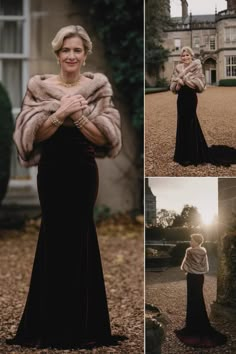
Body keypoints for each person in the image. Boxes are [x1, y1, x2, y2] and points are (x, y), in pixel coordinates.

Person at [6, 25, 122, 349]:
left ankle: (84, 324)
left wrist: (81, 117)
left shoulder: (98, 88)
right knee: (54, 235)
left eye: (77, 50)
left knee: (81, 235)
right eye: (65, 50)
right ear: (57, 54)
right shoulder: (39, 88)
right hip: (52, 171)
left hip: (83, 172)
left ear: (85, 55)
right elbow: (28, 137)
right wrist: (60, 113)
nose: (71, 56)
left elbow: (109, 138)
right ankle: (49, 324)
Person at [170, 46, 236, 167]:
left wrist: (183, 79)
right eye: (183, 55)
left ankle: (194, 154)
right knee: (182, 123)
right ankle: (182, 154)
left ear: (191, 56)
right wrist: (178, 85)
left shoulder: (197, 67)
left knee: (191, 123)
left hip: (190, 98)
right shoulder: (177, 68)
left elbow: (200, 85)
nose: (185, 57)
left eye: (187, 55)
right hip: (181, 99)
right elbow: (173, 87)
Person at [174, 234, 227, 348]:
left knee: (192, 300)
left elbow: (184, 267)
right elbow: (206, 268)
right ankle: (201, 321)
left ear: (196, 242)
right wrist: (198, 270)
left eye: (191, 240)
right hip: (200, 278)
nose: (190, 241)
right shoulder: (204, 252)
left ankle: (192, 325)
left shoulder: (189, 251)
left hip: (192, 277)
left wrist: (190, 269)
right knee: (199, 299)